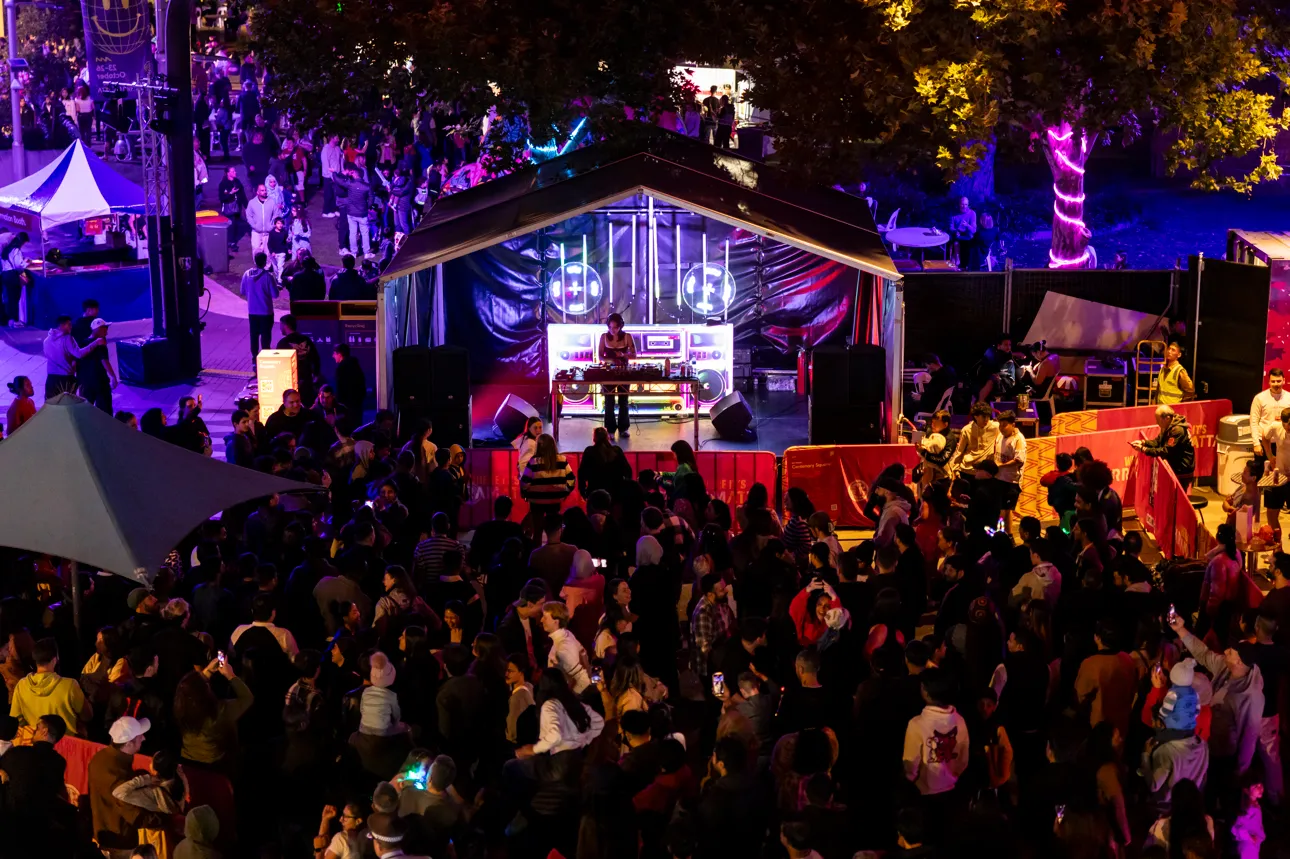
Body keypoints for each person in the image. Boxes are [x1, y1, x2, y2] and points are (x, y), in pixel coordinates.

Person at [88, 715, 150, 852]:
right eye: (140, 736)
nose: (144, 738)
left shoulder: (102, 757)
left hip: (109, 834)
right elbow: (133, 814)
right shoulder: (116, 771)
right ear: (128, 743)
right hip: (118, 841)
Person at [10, 638, 91, 737]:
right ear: (54, 659)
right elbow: (87, 716)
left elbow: (16, 720)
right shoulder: (70, 685)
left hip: (36, 745)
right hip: (67, 745)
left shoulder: (21, 686)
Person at [1132, 404, 1196, 489]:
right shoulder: (1168, 426)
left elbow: (1165, 451)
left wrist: (1144, 449)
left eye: (1158, 420)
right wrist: (1143, 442)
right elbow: (1158, 442)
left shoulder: (1177, 430)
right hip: (1175, 467)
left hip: (1182, 470)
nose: (1157, 423)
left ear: (1167, 418)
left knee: (1177, 499)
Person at [43, 314, 103, 399]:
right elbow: (79, 354)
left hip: (51, 379)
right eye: (69, 324)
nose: (71, 327)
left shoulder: (46, 340)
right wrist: (96, 343)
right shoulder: (67, 338)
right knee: (68, 407)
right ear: (61, 325)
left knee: (51, 406)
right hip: (65, 379)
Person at [520, 434, 575, 523]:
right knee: (553, 529)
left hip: (536, 500)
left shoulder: (533, 461)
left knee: (537, 530)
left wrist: (525, 494)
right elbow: (571, 480)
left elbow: (524, 483)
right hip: (555, 499)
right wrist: (565, 492)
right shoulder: (562, 460)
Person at [599, 313, 636, 436]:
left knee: (623, 400)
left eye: (615, 327)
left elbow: (634, 355)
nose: (612, 330)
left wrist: (623, 355)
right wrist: (612, 360)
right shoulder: (604, 337)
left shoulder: (627, 337)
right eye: (610, 327)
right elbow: (600, 356)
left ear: (620, 326)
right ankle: (609, 430)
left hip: (624, 371)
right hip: (608, 371)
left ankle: (623, 428)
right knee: (609, 401)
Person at [241, 252, 279, 364]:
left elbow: (242, 291)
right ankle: (266, 356)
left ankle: (254, 357)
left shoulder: (247, 274)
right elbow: (275, 294)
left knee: (254, 335)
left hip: (252, 311)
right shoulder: (268, 277)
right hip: (266, 311)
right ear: (265, 261)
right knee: (266, 335)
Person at [75, 315, 118, 413]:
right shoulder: (100, 342)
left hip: (85, 383)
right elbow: (104, 360)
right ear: (98, 329)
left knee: (86, 412)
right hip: (100, 382)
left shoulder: (82, 343)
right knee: (105, 413)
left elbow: (77, 362)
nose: (107, 331)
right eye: (105, 328)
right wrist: (113, 377)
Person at [994, 410, 1027, 530]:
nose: (1001, 428)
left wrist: (1000, 466)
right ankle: (1008, 534)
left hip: (1011, 482)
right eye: (1000, 425)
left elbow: (1019, 460)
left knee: (1004, 511)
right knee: (1005, 510)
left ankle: (1001, 534)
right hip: (999, 479)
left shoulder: (1019, 440)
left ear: (1013, 425)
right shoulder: (1000, 435)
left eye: (1004, 425)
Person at [950, 401, 999, 474]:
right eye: (983, 417)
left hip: (986, 471)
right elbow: (959, 451)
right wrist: (955, 469)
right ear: (976, 416)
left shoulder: (996, 427)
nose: (986, 419)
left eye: (988, 416)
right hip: (967, 469)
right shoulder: (967, 429)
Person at [1251, 368, 1288, 465]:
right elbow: (1253, 421)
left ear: (1284, 381)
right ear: (1269, 382)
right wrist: (1256, 444)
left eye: (1279, 381)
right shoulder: (1259, 398)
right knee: (1261, 474)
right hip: (1263, 442)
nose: (1276, 384)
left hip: (1283, 442)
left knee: (1281, 473)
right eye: (1273, 381)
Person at [333, 342, 367, 419]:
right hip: (357, 405)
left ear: (339, 354)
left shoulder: (341, 368)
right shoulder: (356, 366)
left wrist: (339, 403)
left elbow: (339, 388)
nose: (333, 356)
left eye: (334, 353)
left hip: (346, 407)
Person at [245, 183, 277, 258]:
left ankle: (267, 268)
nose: (264, 192)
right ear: (257, 192)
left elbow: (276, 214)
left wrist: (271, 225)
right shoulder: (252, 203)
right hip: (256, 232)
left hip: (268, 232)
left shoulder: (272, 202)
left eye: (265, 190)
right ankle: (258, 267)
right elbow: (248, 215)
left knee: (268, 251)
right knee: (256, 251)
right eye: (262, 190)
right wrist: (254, 226)